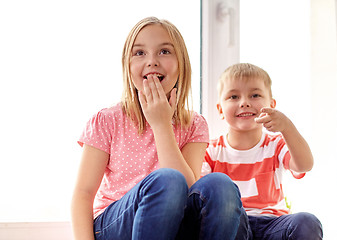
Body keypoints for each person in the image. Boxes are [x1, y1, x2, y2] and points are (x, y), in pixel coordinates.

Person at [71, 17, 249, 240]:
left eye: (164, 52)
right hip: (115, 224)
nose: (152, 61)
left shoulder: (194, 125)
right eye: (139, 53)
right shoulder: (107, 120)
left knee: (219, 184)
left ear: (181, 64)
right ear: (128, 66)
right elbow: (83, 194)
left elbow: (189, 190)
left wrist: (162, 125)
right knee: (167, 180)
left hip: (174, 222)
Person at [202, 63, 323, 239]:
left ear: (271, 105)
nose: (244, 103)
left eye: (255, 95)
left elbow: (305, 165)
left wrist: (287, 127)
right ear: (220, 109)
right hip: (233, 225)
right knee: (231, 218)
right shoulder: (210, 150)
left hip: (273, 224)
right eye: (234, 96)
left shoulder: (276, 144)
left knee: (307, 222)